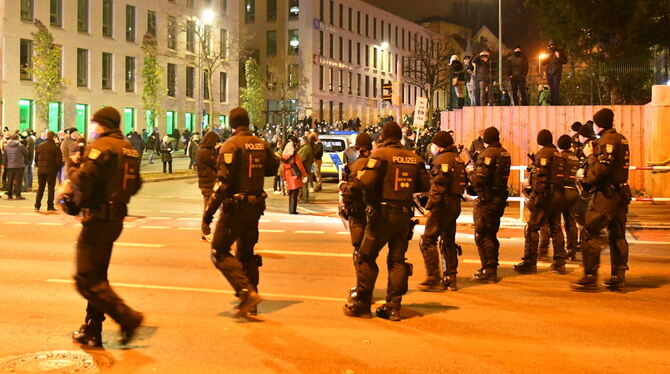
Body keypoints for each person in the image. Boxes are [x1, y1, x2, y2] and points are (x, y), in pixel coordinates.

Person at [69, 106, 144, 347]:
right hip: (115, 218)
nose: (92, 128)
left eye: (94, 123)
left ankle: (127, 317)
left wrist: (72, 165)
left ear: (102, 124)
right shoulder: (129, 149)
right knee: (98, 276)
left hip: (98, 219)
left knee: (85, 279)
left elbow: (83, 179)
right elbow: (136, 184)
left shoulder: (102, 146)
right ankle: (92, 329)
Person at [343, 122, 430, 321]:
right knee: (397, 260)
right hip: (404, 216)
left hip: (381, 216)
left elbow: (365, 183)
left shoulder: (380, 156)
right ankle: (393, 307)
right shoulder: (414, 158)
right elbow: (425, 185)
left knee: (365, 256)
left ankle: (362, 304)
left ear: (383, 137)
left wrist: (348, 189)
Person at [202, 107, 279, 318]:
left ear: (231, 124)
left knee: (219, 251)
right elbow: (273, 168)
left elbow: (222, 183)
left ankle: (245, 293)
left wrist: (208, 214)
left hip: (235, 208)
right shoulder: (260, 143)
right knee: (246, 254)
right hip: (255, 208)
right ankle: (251, 302)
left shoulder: (231, 145)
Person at [572, 109, 631, 292]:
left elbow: (600, 171)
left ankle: (590, 277)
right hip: (620, 193)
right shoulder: (622, 139)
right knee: (618, 235)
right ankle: (618, 277)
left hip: (607, 195)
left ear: (598, 124)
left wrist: (590, 155)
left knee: (590, 230)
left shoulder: (606, 141)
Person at [418, 131, 468, 292]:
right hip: (455, 204)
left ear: (439, 146)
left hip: (442, 205)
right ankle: (450, 277)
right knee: (448, 240)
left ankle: (433, 278)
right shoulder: (458, 159)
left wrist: (430, 207)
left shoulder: (441, 161)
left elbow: (438, 186)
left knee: (428, 240)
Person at [515, 130, 567, 275]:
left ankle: (530, 262)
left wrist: (534, 198)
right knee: (556, 228)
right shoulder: (558, 154)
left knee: (532, 228)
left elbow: (541, 179)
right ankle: (559, 263)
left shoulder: (543, 154)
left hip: (545, 196)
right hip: (558, 194)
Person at [468, 127, 511, 282]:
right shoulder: (505, 153)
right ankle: (491, 265)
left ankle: (489, 269)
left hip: (487, 198)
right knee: (491, 233)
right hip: (499, 197)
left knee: (483, 234)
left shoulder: (487, 154)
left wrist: (469, 173)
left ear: (485, 140)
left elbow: (479, 179)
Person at [339, 132, 373, 268]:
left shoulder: (356, 166)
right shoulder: (379, 163)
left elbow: (350, 191)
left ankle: (362, 287)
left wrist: (342, 186)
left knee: (360, 252)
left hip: (358, 212)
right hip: (376, 212)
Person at [196, 131, 220, 242]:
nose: (216, 144)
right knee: (208, 209)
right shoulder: (205, 151)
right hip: (208, 183)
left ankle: (205, 231)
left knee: (209, 208)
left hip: (208, 182)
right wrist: (219, 151)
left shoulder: (204, 149)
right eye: (215, 142)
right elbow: (216, 164)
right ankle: (205, 231)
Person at [34, 131, 62, 212]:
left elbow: (36, 159)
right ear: (53, 137)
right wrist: (57, 169)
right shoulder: (56, 147)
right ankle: (50, 206)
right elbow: (58, 161)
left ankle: (37, 205)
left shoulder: (40, 146)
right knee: (51, 188)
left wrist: (39, 166)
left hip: (41, 171)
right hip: (51, 171)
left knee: (40, 188)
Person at [281, 138, 307, 214]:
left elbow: (283, 168)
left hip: (288, 174)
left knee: (291, 193)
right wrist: (305, 175)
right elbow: (300, 166)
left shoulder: (283, 157)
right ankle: (293, 210)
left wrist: (284, 178)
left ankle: (291, 209)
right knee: (294, 194)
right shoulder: (295, 155)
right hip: (295, 175)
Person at [2, 135, 28, 200]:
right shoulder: (21, 146)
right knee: (18, 181)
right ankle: (18, 195)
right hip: (19, 166)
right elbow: (27, 153)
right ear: (17, 138)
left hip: (10, 166)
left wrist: (6, 165)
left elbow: (4, 157)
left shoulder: (7, 146)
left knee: (10, 180)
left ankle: (9, 194)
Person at [542, 41, 567, 106]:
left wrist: (558, 57)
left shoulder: (559, 51)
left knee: (556, 88)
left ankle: (556, 103)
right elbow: (543, 63)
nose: (552, 46)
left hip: (557, 72)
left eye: (553, 45)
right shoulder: (547, 52)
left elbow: (565, 61)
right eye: (551, 45)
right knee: (552, 89)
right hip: (549, 73)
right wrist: (547, 57)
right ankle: (553, 103)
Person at [297, 136, 314, 203]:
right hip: (305, 168)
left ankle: (305, 199)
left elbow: (301, 159)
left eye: (301, 141)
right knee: (303, 184)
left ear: (304, 141)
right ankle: (303, 198)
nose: (300, 142)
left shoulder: (305, 149)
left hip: (304, 169)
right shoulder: (306, 148)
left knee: (304, 185)